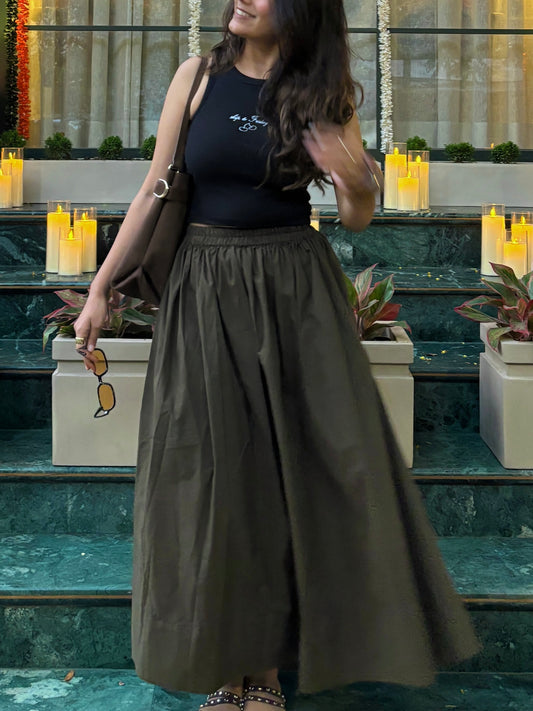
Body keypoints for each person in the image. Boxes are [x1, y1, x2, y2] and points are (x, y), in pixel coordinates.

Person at [74, 1, 481, 710]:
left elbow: (357, 213)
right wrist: (101, 287)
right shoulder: (196, 77)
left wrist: (355, 178)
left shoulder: (324, 93)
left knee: (287, 474)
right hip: (205, 287)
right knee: (212, 475)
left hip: (293, 291)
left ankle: (262, 671)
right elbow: (154, 188)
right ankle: (223, 660)